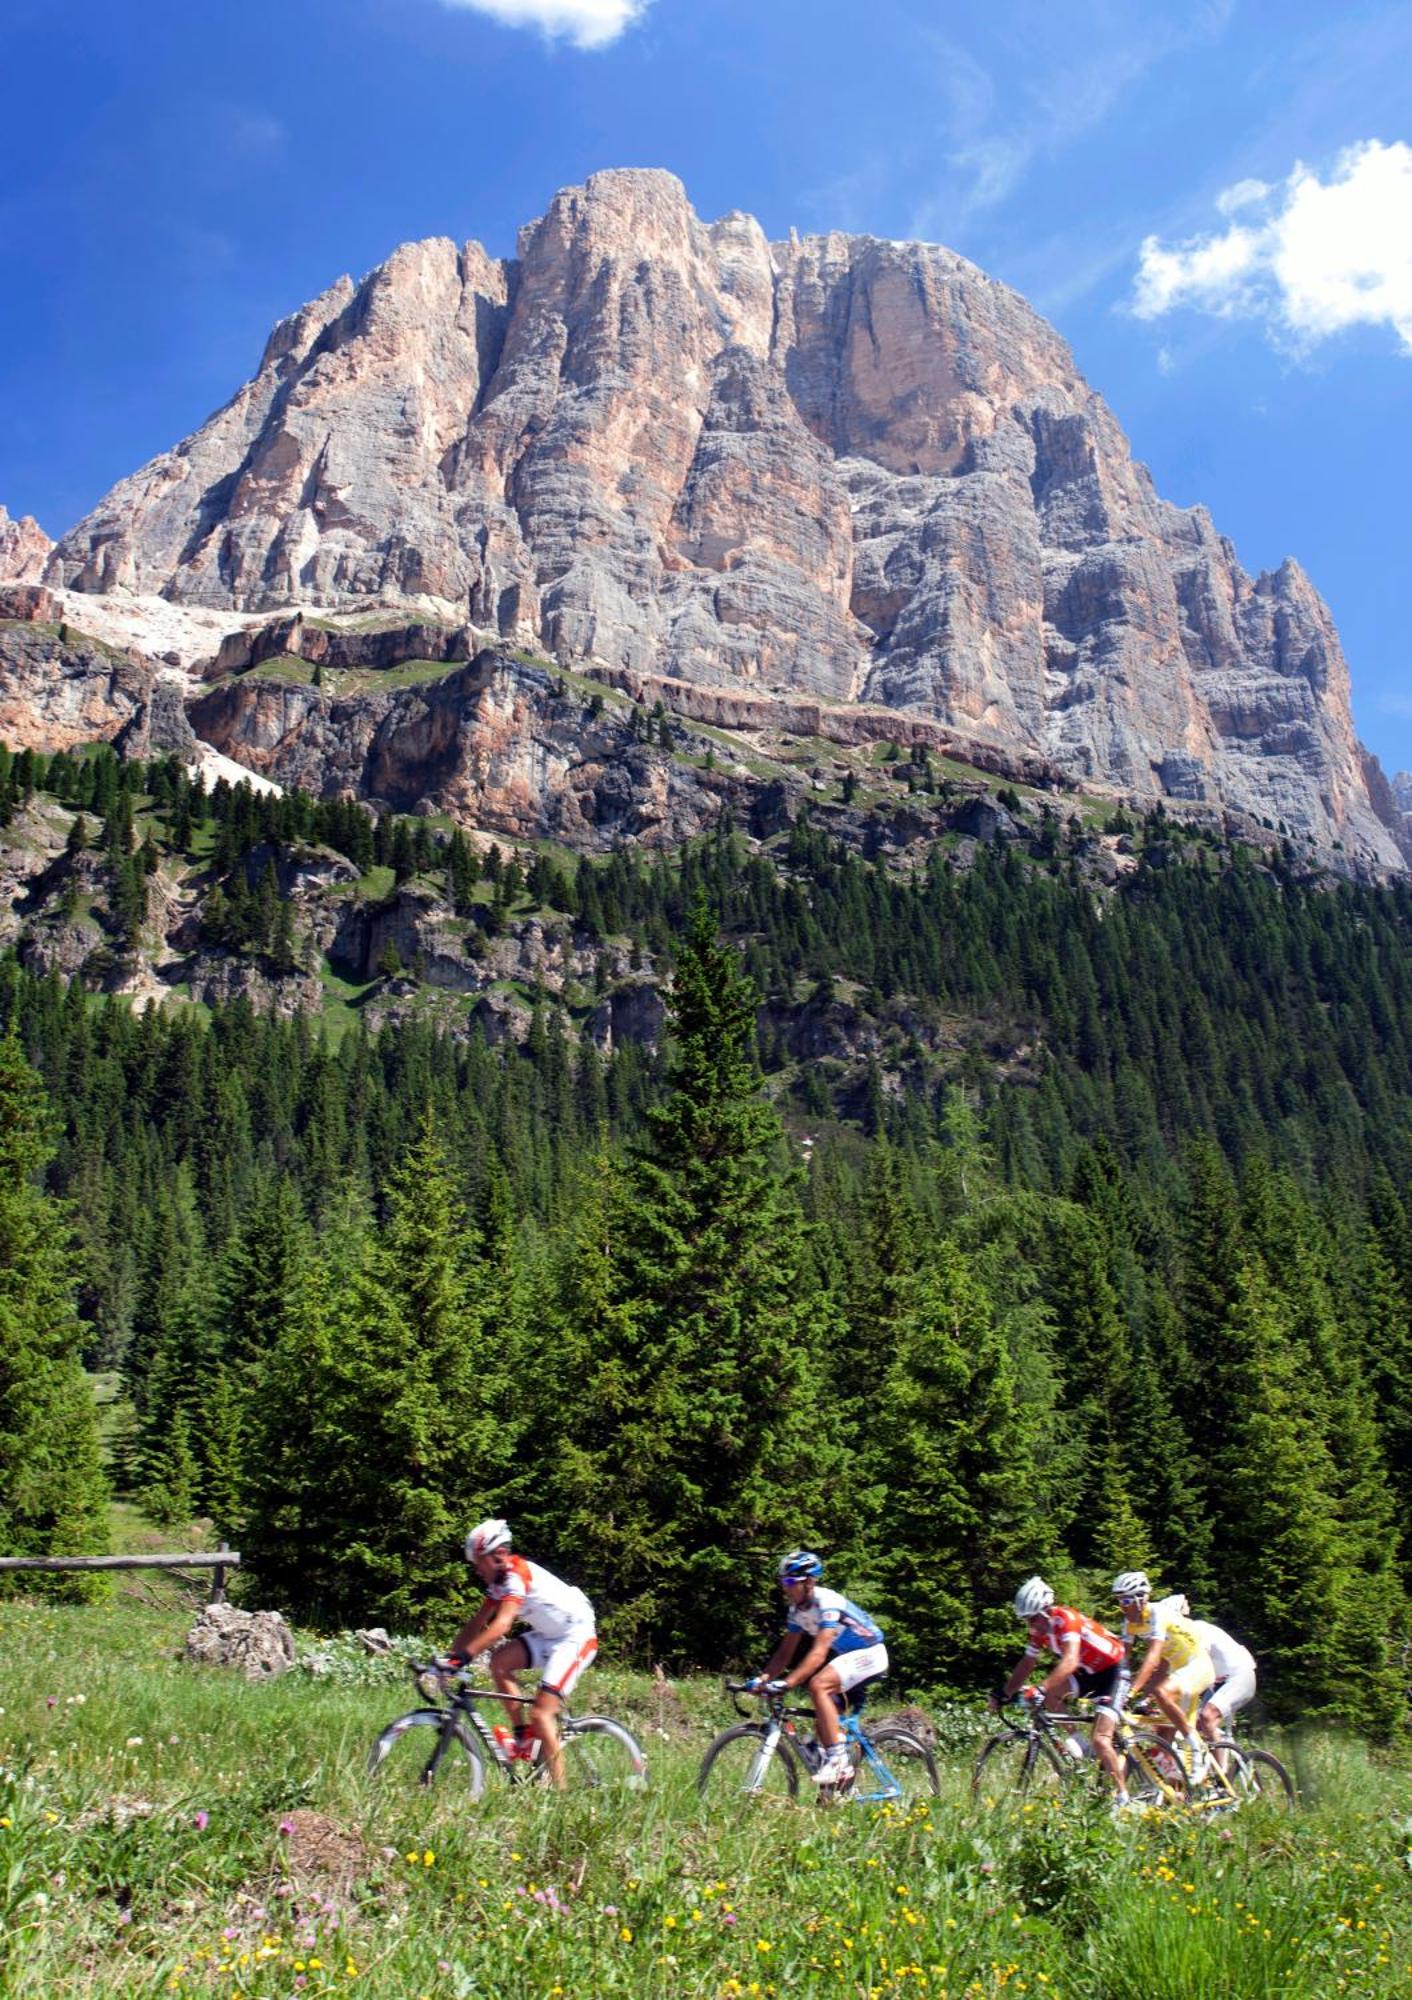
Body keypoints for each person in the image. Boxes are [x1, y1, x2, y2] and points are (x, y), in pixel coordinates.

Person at [445, 1519, 597, 1790]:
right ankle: (523, 1735)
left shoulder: (516, 1575)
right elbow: (476, 1624)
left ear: (498, 1555)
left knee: (541, 1714)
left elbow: (501, 1625)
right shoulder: (498, 1583)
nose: (476, 1568)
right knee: (499, 1663)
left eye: (479, 1561)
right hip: (551, 1636)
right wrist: (447, 1660)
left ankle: (562, 1797)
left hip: (576, 1637)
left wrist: (463, 1658)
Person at [749, 1550, 888, 1788]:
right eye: (784, 1581)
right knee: (823, 1723)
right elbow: (784, 1653)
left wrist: (788, 1683)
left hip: (871, 1653)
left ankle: (839, 1761)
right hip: (849, 1658)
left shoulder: (827, 1602)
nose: (786, 1587)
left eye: (791, 1581)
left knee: (818, 1685)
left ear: (809, 1582)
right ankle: (838, 1790)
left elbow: (819, 1653)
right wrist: (763, 1679)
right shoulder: (796, 1612)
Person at [994, 1576, 1135, 1807]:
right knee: (1050, 1696)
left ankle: (1122, 1798)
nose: (1031, 1625)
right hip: (1087, 1672)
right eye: (1027, 1620)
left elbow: (1069, 1661)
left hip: (1113, 1672)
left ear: (1047, 1611)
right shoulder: (1038, 1631)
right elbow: (1027, 1663)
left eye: (1034, 1619)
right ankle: (1079, 1742)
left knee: (1101, 1739)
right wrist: (1004, 1692)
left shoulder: (1067, 1619)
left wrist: (1040, 1687)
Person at [1110, 1571, 1216, 1781]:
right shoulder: (1129, 1623)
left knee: (1161, 1692)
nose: (1123, 1605)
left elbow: (1153, 1658)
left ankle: (1198, 1747)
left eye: (1128, 1600)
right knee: (1162, 1737)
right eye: (1120, 1600)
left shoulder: (1158, 1614)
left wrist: (1130, 1693)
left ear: (1142, 1599)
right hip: (1179, 1671)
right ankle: (1184, 1793)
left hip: (1198, 1666)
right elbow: (1123, 1660)